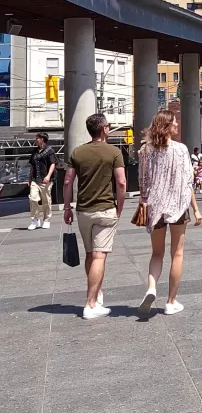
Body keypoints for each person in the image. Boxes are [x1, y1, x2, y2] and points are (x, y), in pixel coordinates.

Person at [137, 110, 202, 317]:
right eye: (174, 123)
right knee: (178, 253)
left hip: (155, 208)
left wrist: (145, 202)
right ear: (166, 126)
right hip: (178, 207)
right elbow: (188, 182)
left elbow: (142, 183)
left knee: (157, 253)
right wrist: (196, 209)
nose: (177, 125)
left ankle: (151, 288)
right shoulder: (182, 150)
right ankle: (171, 301)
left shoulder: (145, 151)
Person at [63, 113, 126, 320]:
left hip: (83, 211)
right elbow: (122, 183)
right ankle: (90, 304)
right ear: (104, 129)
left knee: (91, 254)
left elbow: (67, 182)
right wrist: (120, 207)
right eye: (108, 126)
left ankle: (96, 293)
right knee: (100, 255)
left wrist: (66, 208)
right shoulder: (114, 152)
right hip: (106, 209)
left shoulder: (78, 152)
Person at [28, 133, 56, 230]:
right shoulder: (35, 151)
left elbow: (53, 164)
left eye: (37, 138)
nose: (36, 140)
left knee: (46, 200)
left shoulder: (49, 151)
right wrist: (29, 178)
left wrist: (48, 176)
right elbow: (32, 166)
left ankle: (46, 219)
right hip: (35, 179)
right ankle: (35, 220)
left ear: (42, 139)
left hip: (45, 180)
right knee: (33, 198)